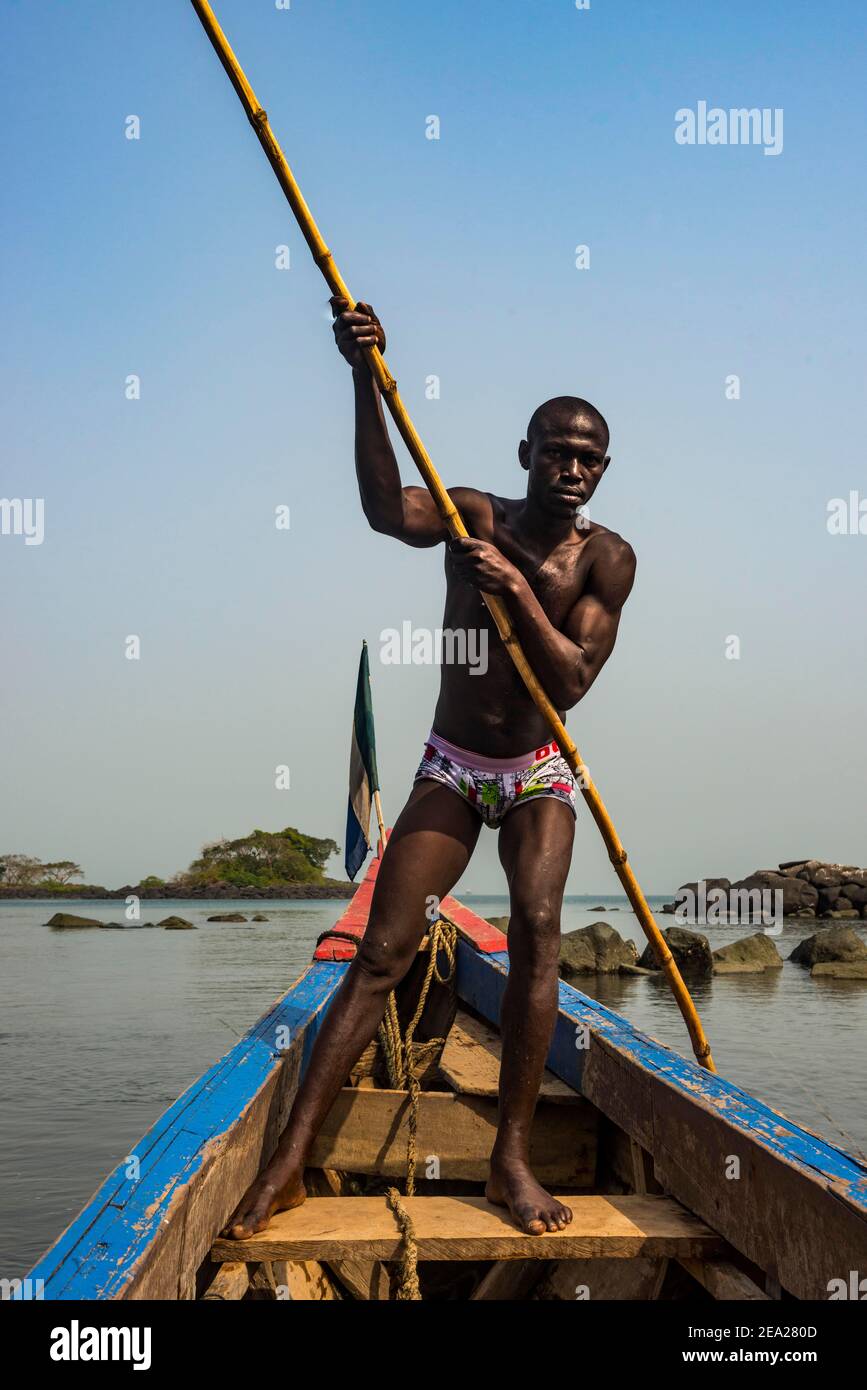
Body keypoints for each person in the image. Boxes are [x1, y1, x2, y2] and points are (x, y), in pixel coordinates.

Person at [224, 299, 636, 1238]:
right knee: (379, 952)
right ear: (527, 451)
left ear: (602, 469)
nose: (570, 468)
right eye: (555, 451)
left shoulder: (608, 559)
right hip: (452, 765)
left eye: (588, 458)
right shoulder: (472, 515)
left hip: (536, 769)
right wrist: (366, 380)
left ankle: (510, 1163)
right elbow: (381, 508)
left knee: (536, 932)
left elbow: (568, 681)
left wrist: (511, 587)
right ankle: (288, 1163)